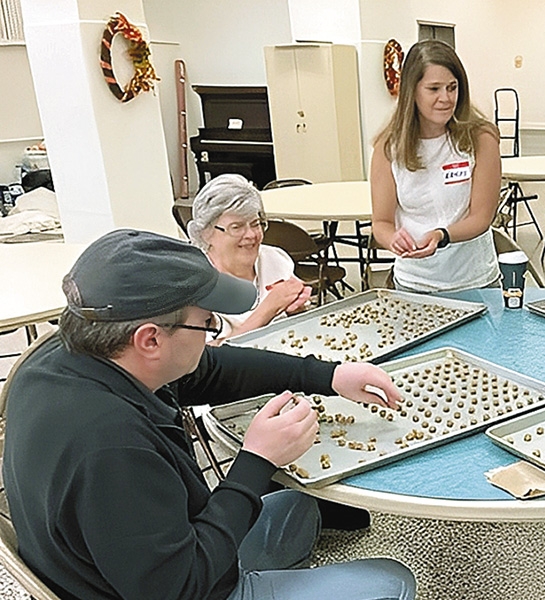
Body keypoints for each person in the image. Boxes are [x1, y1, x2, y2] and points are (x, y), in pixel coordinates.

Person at [2, 229, 417, 600]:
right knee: (392, 581)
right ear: (150, 340)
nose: (214, 332)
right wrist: (257, 461)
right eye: (206, 323)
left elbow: (210, 369)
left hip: (134, 554)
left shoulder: (65, 355)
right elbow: (180, 586)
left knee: (298, 508)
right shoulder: (110, 447)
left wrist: (329, 375)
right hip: (179, 586)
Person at [371, 39, 502, 293]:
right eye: (434, 89)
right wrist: (393, 239)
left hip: (475, 281)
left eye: (452, 88)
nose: (446, 98)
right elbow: (382, 223)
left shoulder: (481, 138)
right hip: (414, 283)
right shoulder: (389, 148)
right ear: (412, 91)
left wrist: (442, 235)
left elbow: (481, 217)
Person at [187, 174, 311, 342]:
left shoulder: (275, 259)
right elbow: (207, 358)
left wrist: (296, 308)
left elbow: (297, 330)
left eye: (255, 223)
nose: (251, 235)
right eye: (236, 227)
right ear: (206, 233)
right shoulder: (194, 284)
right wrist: (269, 309)